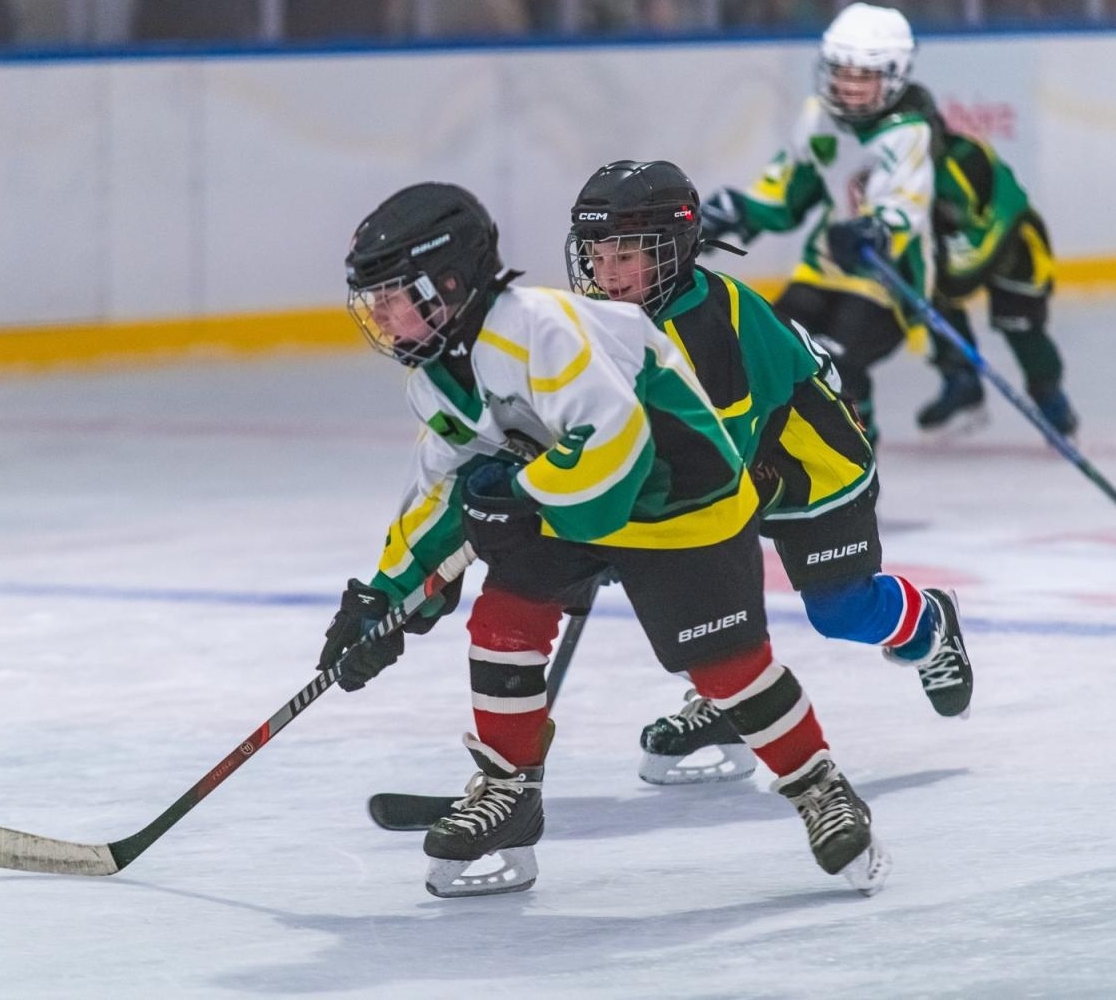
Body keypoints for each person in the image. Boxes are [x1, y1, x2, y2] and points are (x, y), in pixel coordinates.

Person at [319, 182, 891, 897]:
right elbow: (441, 490)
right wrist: (385, 597)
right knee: (504, 619)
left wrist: (520, 496)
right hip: (573, 490)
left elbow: (616, 448)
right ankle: (509, 793)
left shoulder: (541, 331)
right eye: (373, 298)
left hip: (680, 491)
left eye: (394, 295)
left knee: (725, 667)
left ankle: (819, 786)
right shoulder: (436, 380)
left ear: (451, 285)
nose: (379, 314)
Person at [566, 159, 974, 784]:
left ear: (672, 250)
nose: (607, 273)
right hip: (733, 468)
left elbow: (715, 454)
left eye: (626, 255)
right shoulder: (609, 309)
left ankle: (928, 621)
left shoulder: (711, 324)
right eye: (596, 255)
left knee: (840, 610)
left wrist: (626, 516)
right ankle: (732, 701)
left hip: (810, 465)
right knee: (685, 595)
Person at [697, 2, 935, 443]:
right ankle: (774, 459)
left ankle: (857, 459)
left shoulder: (909, 132)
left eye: (864, 76)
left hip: (887, 281)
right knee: (768, 352)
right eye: (842, 73)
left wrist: (877, 230)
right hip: (822, 269)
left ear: (895, 75)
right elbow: (788, 193)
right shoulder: (818, 117)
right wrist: (739, 210)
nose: (849, 86)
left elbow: (904, 206)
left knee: (836, 365)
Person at [917, 115, 1079, 436]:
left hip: (1015, 246)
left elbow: (991, 227)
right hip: (961, 246)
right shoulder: (897, 169)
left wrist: (949, 270)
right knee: (931, 298)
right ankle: (962, 382)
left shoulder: (964, 162)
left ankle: (1049, 396)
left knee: (1019, 324)